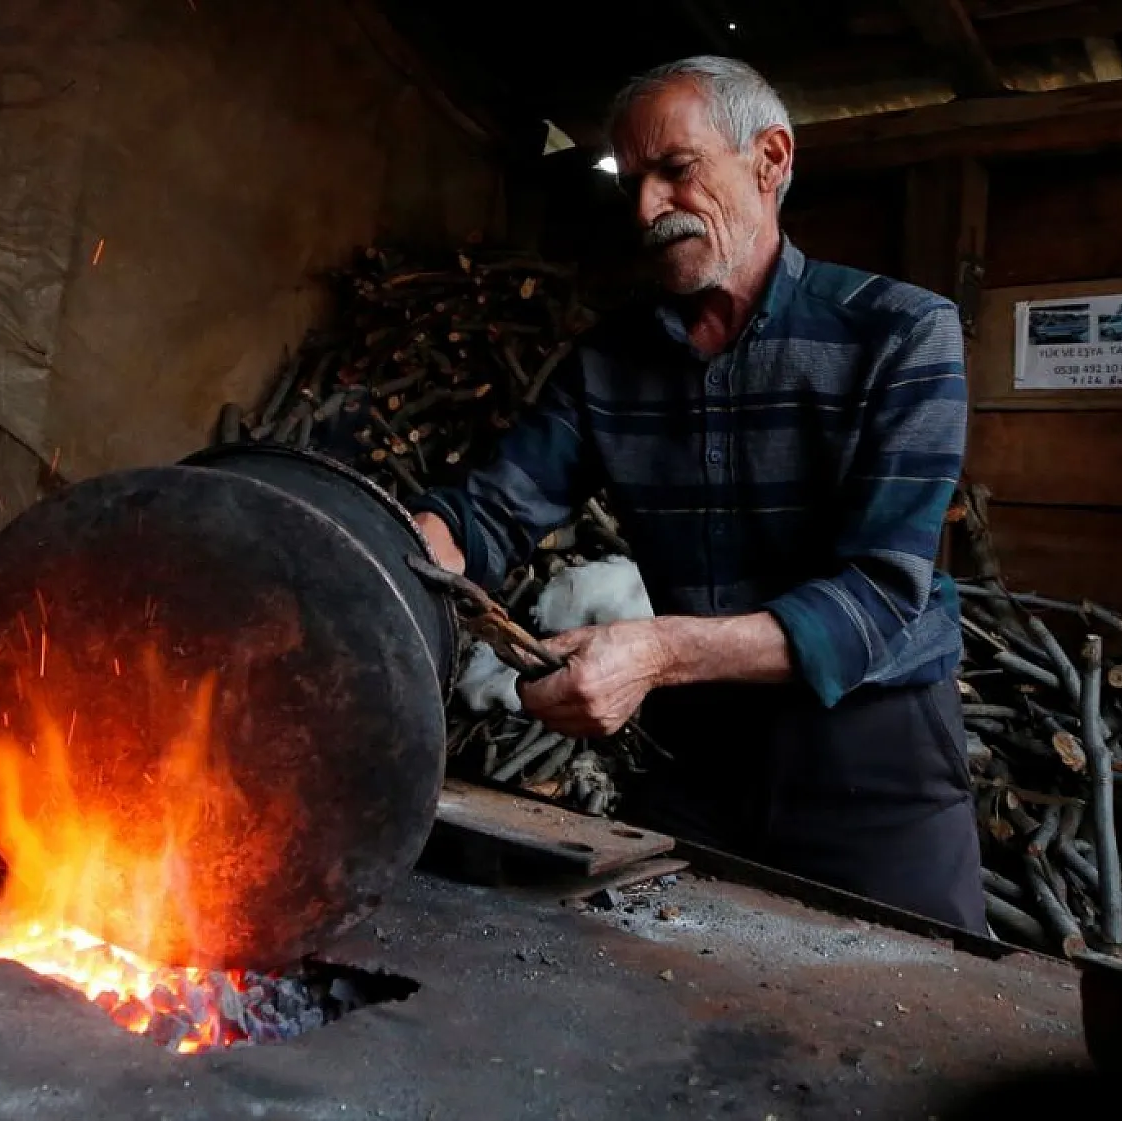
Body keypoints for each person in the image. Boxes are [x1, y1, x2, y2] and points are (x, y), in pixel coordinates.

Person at [407, 55, 984, 933]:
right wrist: (405, 547)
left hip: (874, 756)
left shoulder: (901, 333)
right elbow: (490, 508)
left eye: (676, 171)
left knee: (929, 1021)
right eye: (632, 182)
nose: (646, 209)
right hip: (701, 754)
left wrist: (656, 655)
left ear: (771, 159)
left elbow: (877, 597)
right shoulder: (610, 361)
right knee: (664, 998)